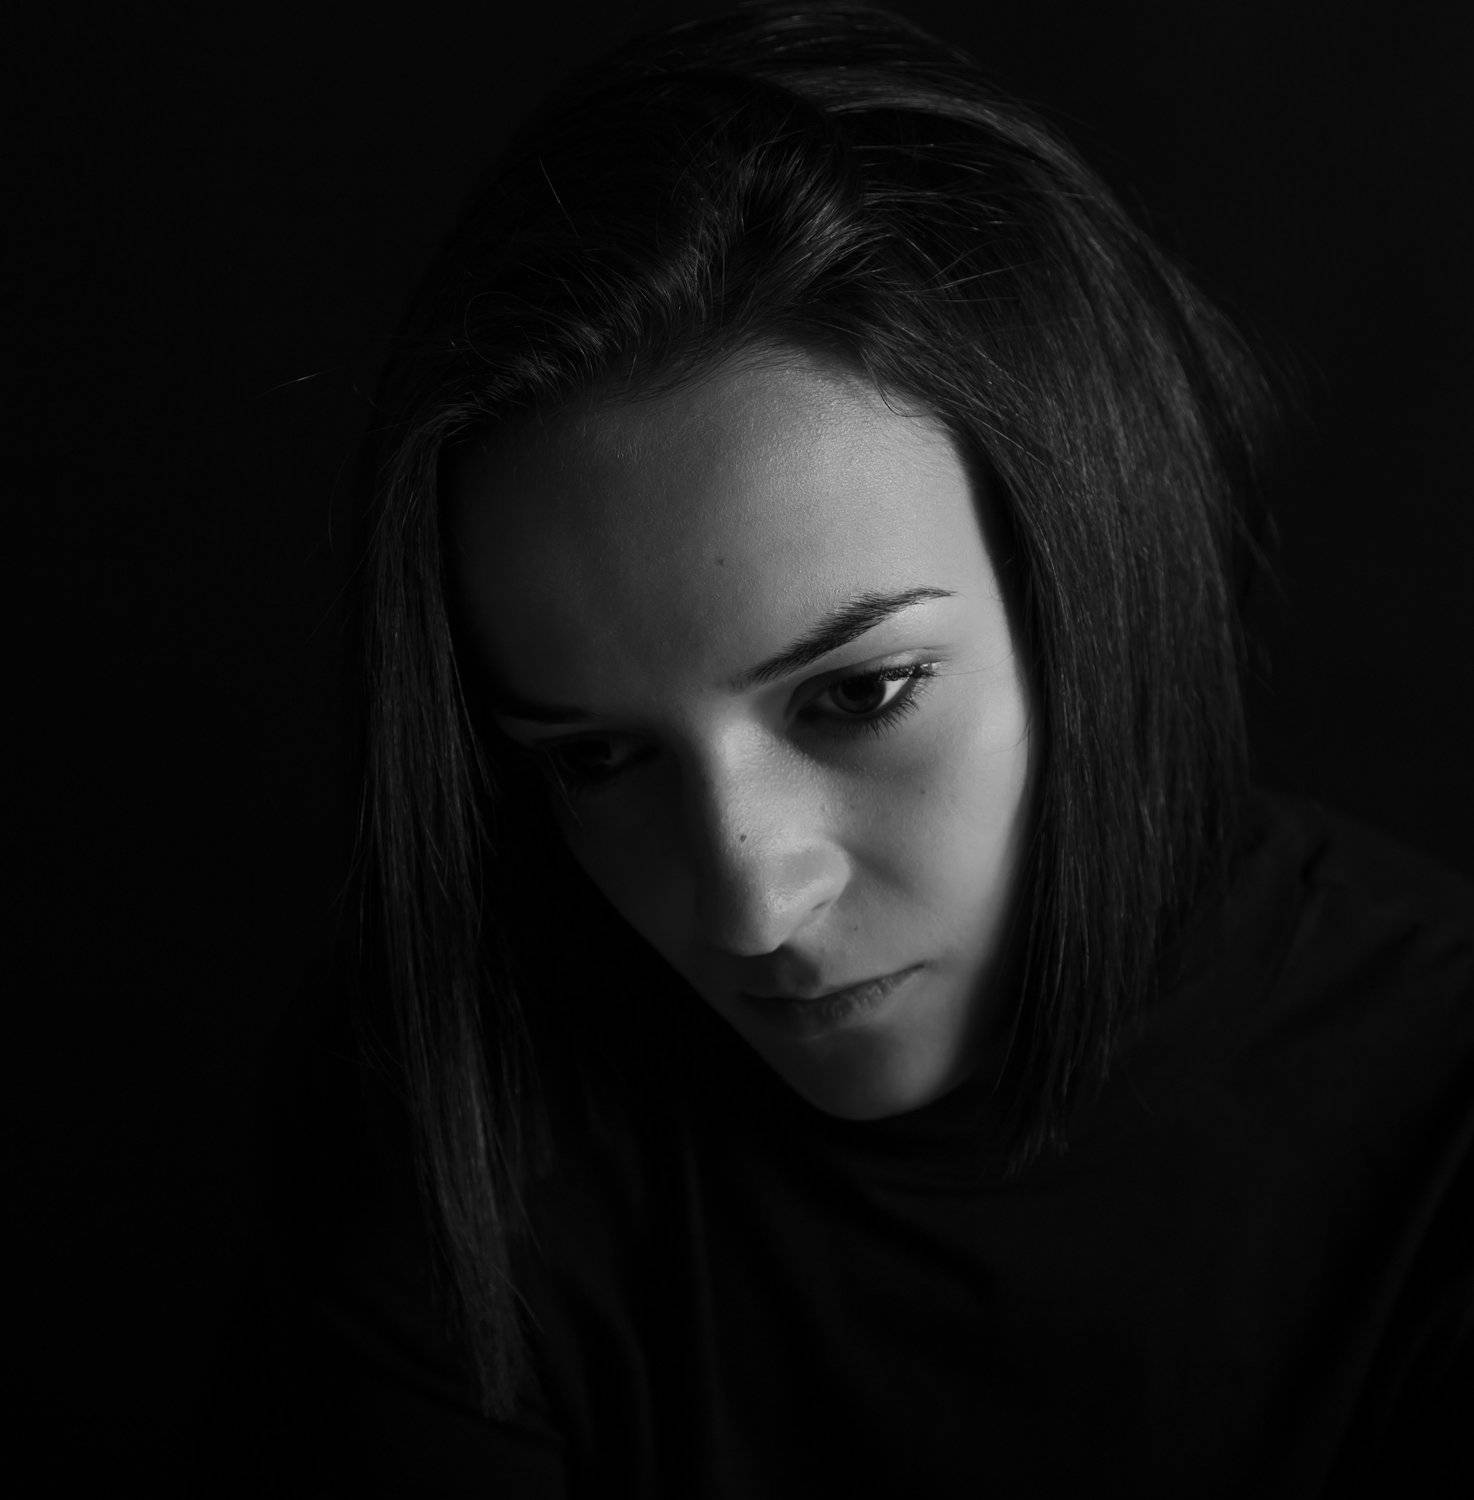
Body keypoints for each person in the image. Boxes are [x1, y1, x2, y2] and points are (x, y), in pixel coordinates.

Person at [237, 3, 1474, 1493]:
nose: (748, 906)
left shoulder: (1441, 1123)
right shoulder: (453, 1112)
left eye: (859, 694)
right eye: (598, 760)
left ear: (1100, 585)